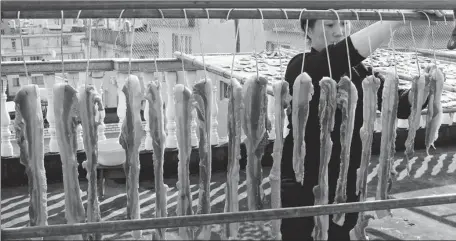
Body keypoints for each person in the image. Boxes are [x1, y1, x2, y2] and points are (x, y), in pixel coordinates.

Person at [280, 11, 444, 241]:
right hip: (303, 179)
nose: (339, 30)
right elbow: (340, 56)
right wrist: (395, 20)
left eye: (345, 23)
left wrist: (423, 88)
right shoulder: (301, 65)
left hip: (346, 181)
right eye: (329, 25)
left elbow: (400, 106)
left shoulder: (359, 72)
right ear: (308, 29)